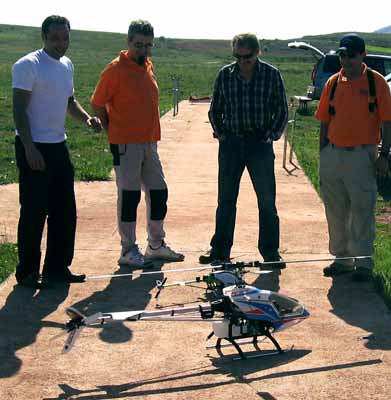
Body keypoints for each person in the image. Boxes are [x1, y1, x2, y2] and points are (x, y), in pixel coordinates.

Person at [12, 15, 102, 288]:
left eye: (65, 38)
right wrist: (29, 148)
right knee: (34, 211)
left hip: (58, 145)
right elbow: (18, 109)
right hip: (34, 146)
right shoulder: (28, 65)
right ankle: (27, 272)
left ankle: (56, 268)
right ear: (44, 37)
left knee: (64, 211)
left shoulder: (66, 65)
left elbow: (69, 101)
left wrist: (86, 118)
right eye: (55, 38)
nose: (61, 44)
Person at [90, 20, 184, 267]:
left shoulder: (147, 66)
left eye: (148, 45)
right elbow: (98, 103)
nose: (143, 50)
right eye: (138, 45)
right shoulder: (114, 70)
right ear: (128, 42)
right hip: (125, 144)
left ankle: (156, 245)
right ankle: (128, 249)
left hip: (149, 142)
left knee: (159, 191)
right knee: (129, 196)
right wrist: (112, 128)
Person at [199, 33, 288, 267]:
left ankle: (270, 252)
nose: (242, 61)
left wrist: (270, 136)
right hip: (231, 146)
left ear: (257, 53)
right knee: (226, 200)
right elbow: (214, 110)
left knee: (267, 202)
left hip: (260, 144)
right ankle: (219, 250)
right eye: (237, 57)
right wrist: (222, 134)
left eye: (246, 57)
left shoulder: (271, 75)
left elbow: (281, 111)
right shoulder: (225, 76)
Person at [316, 33, 391, 281]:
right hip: (333, 154)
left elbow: (387, 122)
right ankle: (342, 259)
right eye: (342, 55)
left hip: (362, 155)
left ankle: (363, 263)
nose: (345, 60)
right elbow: (324, 119)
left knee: (362, 210)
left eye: (350, 55)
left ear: (362, 55)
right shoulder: (333, 83)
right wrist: (322, 153)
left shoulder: (376, 82)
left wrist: (384, 155)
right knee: (336, 211)